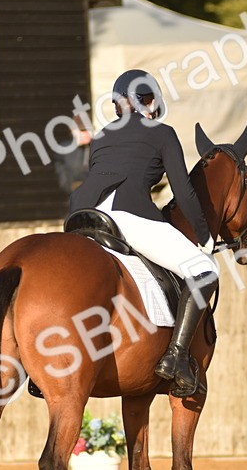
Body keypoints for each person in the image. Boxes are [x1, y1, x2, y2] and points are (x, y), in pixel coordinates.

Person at [69, 69, 219, 398]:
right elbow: (184, 193)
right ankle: (177, 358)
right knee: (205, 270)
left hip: (82, 215)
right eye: (149, 98)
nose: (152, 106)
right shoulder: (162, 133)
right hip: (128, 216)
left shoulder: (102, 135)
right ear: (142, 100)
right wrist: (205, 236)